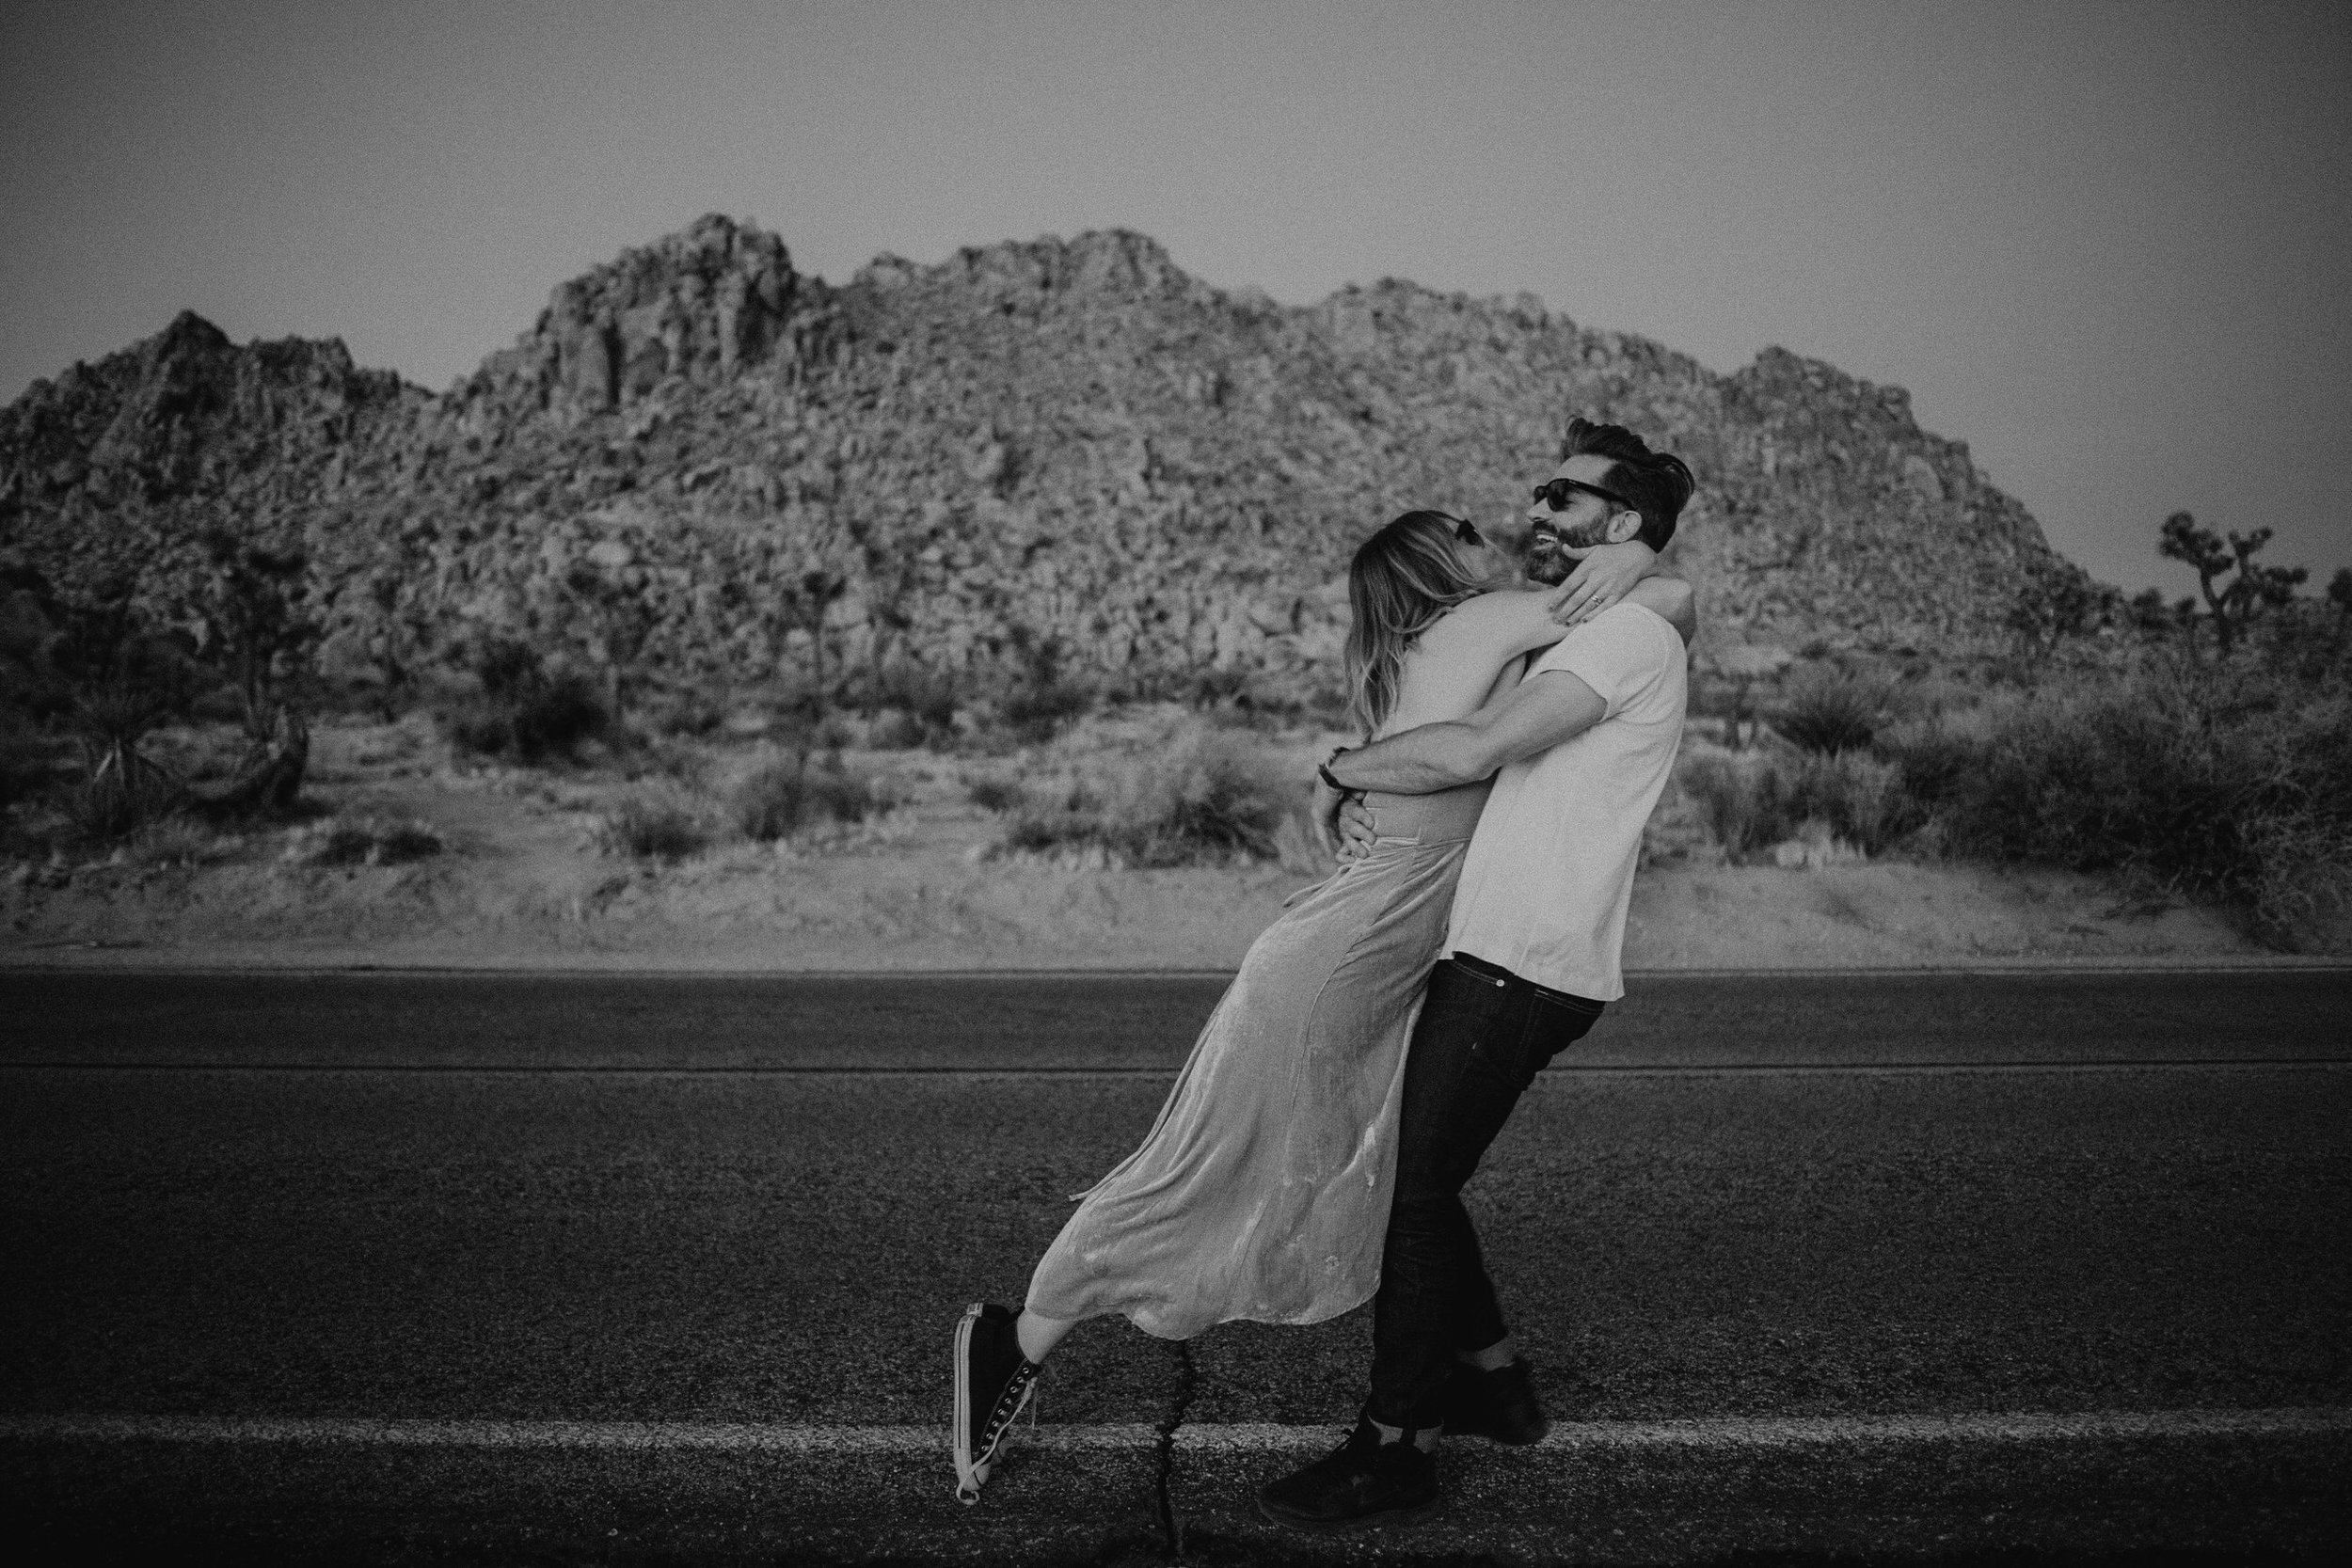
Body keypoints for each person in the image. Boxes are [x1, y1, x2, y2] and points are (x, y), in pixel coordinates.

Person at [952, 456, 1695, 1507]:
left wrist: (1337, 768)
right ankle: (1018, 1332)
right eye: (1464, 525)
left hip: (1360, 939)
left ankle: (1491, 1378)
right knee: (1224, 1155)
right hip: (1349, 949)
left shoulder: (1418, 652)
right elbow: (1667, 604)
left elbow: (1611, 649)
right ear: (1437, 561)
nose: (1495, 526)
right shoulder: (1484, 621)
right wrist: (1632, 553)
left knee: (1394, 1163)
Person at [1256, 417, 1697, 1530]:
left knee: (1409, 1187)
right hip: (1491, 948)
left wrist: (1336, 768)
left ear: (1623, 521)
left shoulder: (1626, 637)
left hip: (1526, 961)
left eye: (1565, 498)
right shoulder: (1600, 620)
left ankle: (1393, 1446)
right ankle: (1493, 1384)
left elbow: (1467, 752)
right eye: (1537, 495)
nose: (1537, 513)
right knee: (1421, 1170)